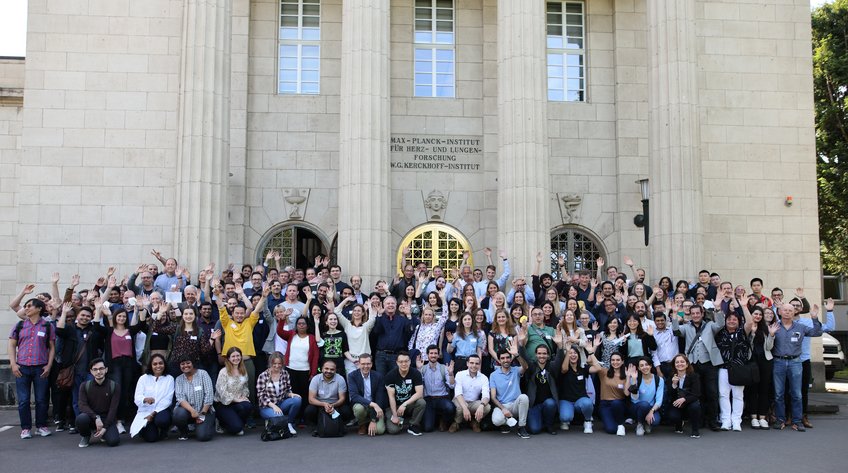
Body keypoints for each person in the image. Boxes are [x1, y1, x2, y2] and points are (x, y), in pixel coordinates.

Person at [672, 303, 725, 431]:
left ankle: (713, 420)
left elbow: (721, 324)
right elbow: (675, 331)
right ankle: (699, 420)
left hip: (709, 363)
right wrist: (675, 313)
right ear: (690, 314)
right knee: (697, 393)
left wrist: (718, 309)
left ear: (702, 314)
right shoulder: (686, 327)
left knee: (712, 393)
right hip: (693, 364)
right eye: (693, 313)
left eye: (698, 313)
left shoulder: (710, 325)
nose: (695, 315)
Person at [772, 302, 823, 431]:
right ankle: (780, 419)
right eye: (785, 310)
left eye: (791, 310)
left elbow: (817, 333)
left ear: (794, 312)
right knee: (778, 394)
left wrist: (814, 318)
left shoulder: (801, 327)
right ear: (779, 312)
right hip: (778, 362)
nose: (788, 312)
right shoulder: (774, 327)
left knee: (797, 394)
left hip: (795, 362)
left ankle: (797, 421)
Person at [9, 297, 55, 439]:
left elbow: (52, 348)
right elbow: (11, 345)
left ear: (39, 308)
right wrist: (13, 363)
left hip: (40, 367)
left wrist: (49, 365)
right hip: (22, 367)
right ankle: (26, 428)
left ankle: (41, 426)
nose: (26, 308)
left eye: (29, 306)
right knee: (23, 400)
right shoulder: (20, 325)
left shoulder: (47, 326)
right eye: (26, 306)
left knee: (41, 399)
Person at [715, 311, 753, 431]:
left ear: (738, 321)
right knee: (723, 395)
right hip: (723, 368)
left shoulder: (742, 332)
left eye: (734, 319)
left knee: (737, 395)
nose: (731, 321)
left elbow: (750, 322)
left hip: (739, 368)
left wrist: (744, 306)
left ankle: (736, 421)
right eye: (729, 319)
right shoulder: (720, 332)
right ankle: (725, 420)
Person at [75, 358, 120, 448]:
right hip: (91, 417)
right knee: (81, 419)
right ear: (91, 371)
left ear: (106, 370)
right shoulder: (84, 386)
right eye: (95, 369)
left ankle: (103, 433)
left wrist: (105, 428)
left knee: (113, 441)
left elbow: (113, 409)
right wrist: (96, 417)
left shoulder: (114, 386)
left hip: (107, 419)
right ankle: (86, 435)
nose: (98, 372)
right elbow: (82, 405)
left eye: (101, 368)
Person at [519, 343, 562, 435]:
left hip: (547, 403)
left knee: (551, 403)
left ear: (548, 355)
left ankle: (549, 424)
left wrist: (560, 347)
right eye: (539, 353)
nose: (542, 356)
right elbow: (524, 357)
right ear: (536, 355)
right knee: (535, 429)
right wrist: (521, 345)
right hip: (534, 405)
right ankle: (541, 421)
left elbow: (559, 359)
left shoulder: (552, 366)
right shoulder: (532, 366)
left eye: (544, 353)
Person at [586, 340, 627, 436]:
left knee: (617, 403)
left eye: (618, 360)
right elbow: (593, 364)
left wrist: (629, 378)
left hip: (619, 404)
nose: (615, 362)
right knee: (611, 430)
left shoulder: (626, 374)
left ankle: (621, 424)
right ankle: (613, 422)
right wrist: (591, 351)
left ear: (622, 362)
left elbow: (627, 393)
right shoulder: (604, 372)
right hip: (605, 405)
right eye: (613, 360)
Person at [131, 353, 174, 442]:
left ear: (164, 364)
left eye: (161, 363)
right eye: (155, 364)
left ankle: (163, 430)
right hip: (145, 411)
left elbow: (167, 400)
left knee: (162, 420)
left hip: (161, 410)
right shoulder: (143, 378)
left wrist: (153, 413)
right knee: (151, 438)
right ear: (151, 365)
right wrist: (144, 399)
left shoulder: (169, 379)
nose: (158, 366)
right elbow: (137, 398)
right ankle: (144, 430)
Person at [256, 352, 301, 437]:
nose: (277, 366)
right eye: (274, 363)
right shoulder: (263, 376)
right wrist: (273, 406)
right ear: (270, 363)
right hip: (267, 406)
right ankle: (277, 423)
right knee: (279, 415)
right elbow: (261, 397)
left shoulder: (285, 374)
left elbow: (287, 390)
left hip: (281, 403)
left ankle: (289, 423)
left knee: (297, 399)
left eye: (279, 363)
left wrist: (291, 394)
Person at [489, 345, 530, 439]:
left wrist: (516, 354)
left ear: (511, 359)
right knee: (496, 421)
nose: (505, 360)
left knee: (524, 397)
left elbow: (525, 366)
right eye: (502, 358)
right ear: (499, 360)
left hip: (515, 405)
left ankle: (521, 427)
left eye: (507, 357)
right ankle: (507, 422)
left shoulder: (516, 370)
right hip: (502, 405)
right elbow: (493, 397)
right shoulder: (493, 375)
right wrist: (503, 409)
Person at [746, 307, 776, 429]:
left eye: (760, 314)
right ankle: (753, 417)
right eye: (755, 314)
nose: (757, 316)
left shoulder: (765, 328)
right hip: (752, 362)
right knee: (753, 390)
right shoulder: (747, 327)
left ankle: (762, 417)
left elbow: (769, 347)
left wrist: (772, 335)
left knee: (764, 390)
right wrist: (752, 334)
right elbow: (748, 345)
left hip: (765, 361)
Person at [173, 357, 215, 441]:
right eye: (182, 364)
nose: (185, 366)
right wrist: (193, 411)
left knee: (203, 437)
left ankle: (207, 425)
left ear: (193, 363)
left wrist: (202, 413)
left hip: (205, 410)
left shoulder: (203, 374)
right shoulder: (178, 379)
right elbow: (180, 398)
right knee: (178, 413)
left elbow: (209, 395)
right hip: (188, 411)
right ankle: (184, 432)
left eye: (188, 363)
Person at [384, 351, 426, 435]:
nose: (404, 364)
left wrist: (404, 404)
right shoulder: (390, 375)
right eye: (401, 362)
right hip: (394, 406)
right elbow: (391, 397)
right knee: (393, 430)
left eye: (406, 361)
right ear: (397, 362)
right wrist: (395, 416)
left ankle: (413, 425)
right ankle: (392, 419)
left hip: (409, 404)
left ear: (410, 361)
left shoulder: (416, 373)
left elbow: (419, 393)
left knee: (421, 402)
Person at [417, 345, 456, 432]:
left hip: (442, 398)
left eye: (435, 353)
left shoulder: (444, 368)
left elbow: (452, 386)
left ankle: (443, 420)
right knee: (428, 428)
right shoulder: (422, 368)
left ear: (438, 355)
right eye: (431, 353)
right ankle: (434, 418)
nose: (433, 355)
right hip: (428, 399)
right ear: (427, 355)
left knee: (450, 407)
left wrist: (450, 374)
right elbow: (418, 384)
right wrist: (419, 369)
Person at [214, 347, 252, 436]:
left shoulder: (243, 370)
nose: (236, 358)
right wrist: (236, 399)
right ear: (228, 358)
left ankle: (237, 424)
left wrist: (244, 396)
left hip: (237, 403)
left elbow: (245, 387)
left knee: (247, 406)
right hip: (224, 404)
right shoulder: (223, 372)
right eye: (233, 356)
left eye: (238, 356)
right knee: (236, 428)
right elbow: (221, 392)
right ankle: (222, 422)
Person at [348, 353, 388, 436]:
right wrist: (372, 404)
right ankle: (362, 424)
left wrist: (373, 420)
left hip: (376, 406)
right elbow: (354, 396)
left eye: (368, 363)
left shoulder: (378, 376)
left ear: (372, 364)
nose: (366, 366)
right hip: (362, 405)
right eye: (363, 364)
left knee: (379, 431)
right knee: (359, 409)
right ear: (359, 364)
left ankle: (371, 421)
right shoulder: (352, 376)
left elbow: (379, 398)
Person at [372, 296, 415, 374]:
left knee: (395, 379)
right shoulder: (380, 318)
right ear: (384, 305)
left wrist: (408, 316)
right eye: (388, 303)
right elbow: (376, 331)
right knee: (381, 379)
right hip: (381, 355)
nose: (390, 305)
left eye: (392, 303)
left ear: (396, 306)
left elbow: (410, 331)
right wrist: (379, 315)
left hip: (396, 355)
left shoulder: (402, 319)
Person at [305, 360, 353, 429]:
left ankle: (340, 426)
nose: (329, 371)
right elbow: (311, 399)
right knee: (309, 411)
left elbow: (342, 398)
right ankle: (316, 427)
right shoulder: (316, 379)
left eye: (332, 369)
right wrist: (324, 404)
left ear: (335, 370)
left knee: (346, 411)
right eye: (326, 368)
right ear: (322, 369)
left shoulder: (340, 379)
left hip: (335, 405)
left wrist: (333, 405)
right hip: (319, 404)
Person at [558, 345, 595, 434]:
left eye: (575, 353)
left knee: (588, 403)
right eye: (570, 353)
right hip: (566, 400)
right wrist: (567, 352)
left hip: (580, 400)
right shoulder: (564, 368)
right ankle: (566, 419)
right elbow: (564, 369)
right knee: (566, 417)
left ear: (578, 355)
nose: (573, 355)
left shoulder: (582, 368)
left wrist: (591, 352)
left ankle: (587, 421)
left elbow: (598, 368)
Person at [449, 354, 490, 433]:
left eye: (476, 363)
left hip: (473, 402)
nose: (474, 365)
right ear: (467, 363)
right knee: (461, 407)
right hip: (459, 400)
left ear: (479, 365)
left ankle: (475, 421)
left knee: (487, 407)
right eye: (471, 363)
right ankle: (456, 422)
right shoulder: (460, 374)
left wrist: (481, 406)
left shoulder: (484, 377)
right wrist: (465, 407)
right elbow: (458, 393)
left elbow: (486, 395)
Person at [335, 300, 378, 374]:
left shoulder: (366, 327)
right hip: (350, 360)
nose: (356, 312)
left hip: (364, 360)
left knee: (364, 382)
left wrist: (369, 306)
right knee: (351, 382)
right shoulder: (347, 324)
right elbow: (337, 311)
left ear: (363, 313)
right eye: (354, 310)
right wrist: (346, 299)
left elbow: (372, 318)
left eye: (359, 311)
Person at [665, 353, 703, 438]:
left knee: (695, 407)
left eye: (682, 362)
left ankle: (695, 429)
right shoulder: (672, 376)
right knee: (672, 416)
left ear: (687, 364)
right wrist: (674, 384)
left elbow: (696, 394)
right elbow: (669, 394)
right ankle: (679, 424)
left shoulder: (694, 376)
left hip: (690, 401)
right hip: (676, 402)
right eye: (677, 362)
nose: (679, 364)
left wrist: (684, 399)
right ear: (674, 365)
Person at [625, 357, 664, 436]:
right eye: (641, 365)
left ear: (650, 366)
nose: (644, 367)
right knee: (644, 404)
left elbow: (659, 400)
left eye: (646, 365)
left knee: (655, 421)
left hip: (651, 407)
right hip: (636, 407)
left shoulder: (659, 380)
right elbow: (634, 398)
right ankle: (639, 424)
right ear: (639, 368)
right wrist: (634, 381)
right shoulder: (636, 378)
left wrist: (651, 411)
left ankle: (647, 423)